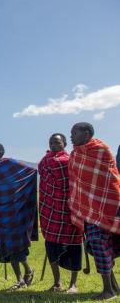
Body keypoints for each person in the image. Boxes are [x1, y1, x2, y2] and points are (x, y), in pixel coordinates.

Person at [68, 122, 120, 300]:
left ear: (87, 133)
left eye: (74, 132)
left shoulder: (100, 149)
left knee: (100, 245)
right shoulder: (75, 155)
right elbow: (77, 182)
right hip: (89, 210)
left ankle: (109, 290)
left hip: (108, 206)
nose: (71, 136)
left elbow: (108, 179)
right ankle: (113, 286)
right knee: (98, 247)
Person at [0, 143, 38, 290]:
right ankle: (22, 277)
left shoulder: (10, 163)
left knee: (17, 247)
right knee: (7, 249)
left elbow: (31, 171)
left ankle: (24, 275)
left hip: (14, 212)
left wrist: (17, 193)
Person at [38, 133, 83, 293]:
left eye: (57, 142)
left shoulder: (71, 161)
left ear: (64, 143)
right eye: (51, 142)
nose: (53, 144)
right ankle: (57, 283)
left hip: (69, 210)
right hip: (50, 210)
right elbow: (43, 185)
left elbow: (77, 183)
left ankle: (73, 284)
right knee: (51, 245)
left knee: (74, 246)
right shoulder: (44, 162)